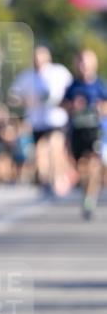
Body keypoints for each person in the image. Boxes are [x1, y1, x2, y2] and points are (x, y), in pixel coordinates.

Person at [9, 45, 72, 196]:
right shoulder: (27, 76)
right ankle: (45, 181)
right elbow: (13, 96)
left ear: (48, 57)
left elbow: (72, 91)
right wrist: (24, 101)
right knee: (40, 152)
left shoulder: (59, 72)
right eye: (36, 58)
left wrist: (63, 102)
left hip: (56, 119)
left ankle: (57, 177)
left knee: (54, 146)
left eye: (41, 57)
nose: (39, 61)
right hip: (36, 121)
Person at [62, 49, 107, 219]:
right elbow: (63, 106)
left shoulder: (99, 85)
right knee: (82, 167)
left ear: (93, 64)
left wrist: (100, 108)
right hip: (77, 131)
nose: (84, 66)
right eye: (81, 62)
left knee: (93, 163)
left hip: (94, 130)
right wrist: (73, 107)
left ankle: (90, 197)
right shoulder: (72, 86)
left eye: (87, 62)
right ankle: (87, 193)